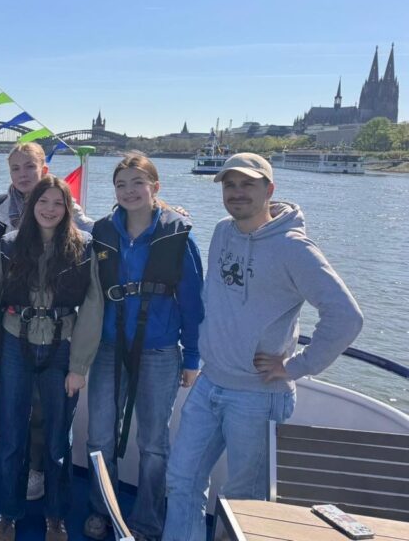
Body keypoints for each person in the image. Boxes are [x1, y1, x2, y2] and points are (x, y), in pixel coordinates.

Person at [162, 153, 363, 541]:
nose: (237, 193)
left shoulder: (294, 248)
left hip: (257, 397)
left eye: (247, 184)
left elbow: (346, 317)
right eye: (229, 185)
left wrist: (297, 365)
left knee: (244, 503)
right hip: (209, 384)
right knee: (181, 478)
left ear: (269, 190)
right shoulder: (223, 231)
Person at [0, 175, 104, 541]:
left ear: (67, 209)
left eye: (57, 203)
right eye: (42, 202)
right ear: (31, 206)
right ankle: (9, 512)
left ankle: (56, 515)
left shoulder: (84, 247)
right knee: (12, 436)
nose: (49, 210)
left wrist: (79, 367)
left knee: (59, 439)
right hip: (14, 344)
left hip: (61, 347)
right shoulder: (11, 245)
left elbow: (92, 307)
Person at [84, 152, 204, 541]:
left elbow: (192, 302)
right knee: (100, 435)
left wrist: (192, 356)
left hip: (159, 350)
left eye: (138, 182)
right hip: (107, 346)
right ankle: (103, 509)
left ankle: (148, 520)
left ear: (155, 187)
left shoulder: (176, 234)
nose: (130, 191)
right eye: (121, 184)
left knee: (153, 442)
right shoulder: (102, 231)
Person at [0, 142, 95, 502]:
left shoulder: (68, 210)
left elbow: (102, 233)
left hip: (56, 336)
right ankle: (13, 487)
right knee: (11, 411)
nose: (22, 175)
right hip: (14, 329)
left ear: (43, 169)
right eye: (15, 169)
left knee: (48, 418)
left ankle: (39, 475)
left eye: (29, 167)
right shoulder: (0, 210)